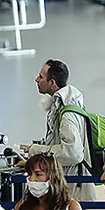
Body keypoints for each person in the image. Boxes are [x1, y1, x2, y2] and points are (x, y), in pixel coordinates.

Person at [28, 59, 94, 201]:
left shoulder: (67, 115)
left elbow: (73, 153)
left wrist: (37, 150)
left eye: (41, 77)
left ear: (52, 83)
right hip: (67, 186)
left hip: (71, 189)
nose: (36, 79)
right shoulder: (62, 106)